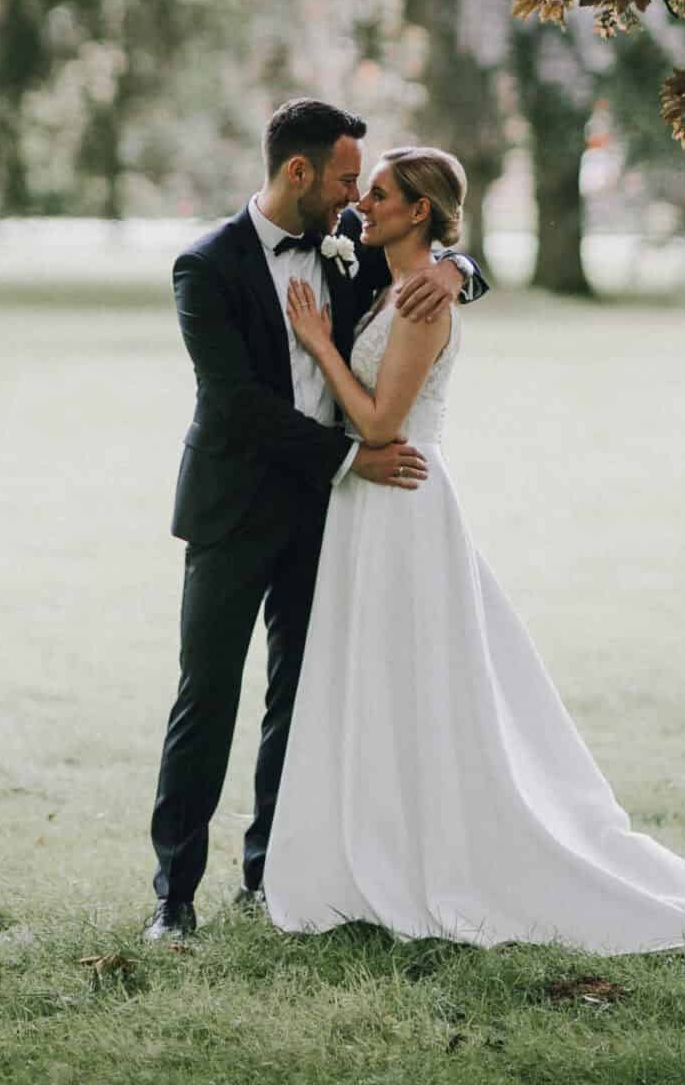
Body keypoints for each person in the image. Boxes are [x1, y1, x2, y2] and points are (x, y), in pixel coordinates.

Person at [265, 143, 685, 954]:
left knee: (421, 682)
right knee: (379, 680)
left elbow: (383, 423)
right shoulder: (394, 281)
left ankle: (439, 857)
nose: (365, 202)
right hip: (366, 507)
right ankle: (375, 847)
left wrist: (320, 340)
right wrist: (455, 266)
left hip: (401, 500)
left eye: (384, 193)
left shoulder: (426, 301)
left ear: (419, 211)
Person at [145, 97, 487, 942]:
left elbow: (425, 269)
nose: (350, 200)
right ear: (297, 172)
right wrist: (347, 459)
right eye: (342, 181)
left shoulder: (347, 252)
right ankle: (174, 897)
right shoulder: (207, 267)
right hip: (235, 509)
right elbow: (234, 407)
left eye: (360, 187)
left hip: (328, 518)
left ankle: (269, 877)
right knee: (208, 697)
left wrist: (463, 266)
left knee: (299, 703)